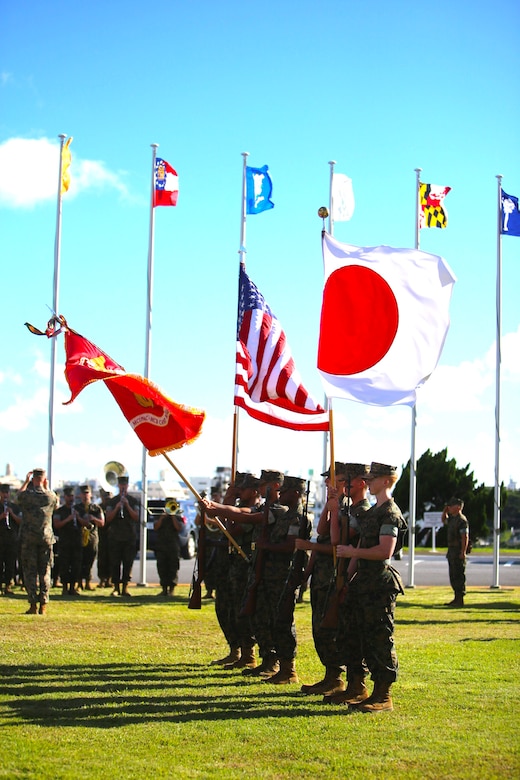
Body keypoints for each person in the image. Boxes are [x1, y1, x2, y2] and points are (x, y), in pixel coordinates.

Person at [336, 462, 406, 713]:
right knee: (359, 636)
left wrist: (353, 552)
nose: (369, 482)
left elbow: (384, 551)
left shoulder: (389, 513)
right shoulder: (375, 511)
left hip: (379, 584)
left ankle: (383, 694)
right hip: (363, 583)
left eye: (373, 478)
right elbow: (363, 547)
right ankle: (359, 687)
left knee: (379, 638)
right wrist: (347, 577)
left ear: (387, 481)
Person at [295, 462, 350, 697]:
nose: (328, 482)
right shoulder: (333, 504)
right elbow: (322, 532)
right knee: (319, 628)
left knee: (329, 628)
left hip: (333, 576)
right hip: (321, 575)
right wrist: (329, 506)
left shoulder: (347, 508)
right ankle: (330, 676)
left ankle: (336, 677)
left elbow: (337, 546)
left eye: (332, 479)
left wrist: (335, 508)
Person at [322, 462, 371, 705]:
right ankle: (352, 685)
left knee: (354, 634)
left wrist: (335, 511)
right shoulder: (351, 510)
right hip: (345, 573)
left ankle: (357, 685)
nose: (345, 486)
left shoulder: (363, 511)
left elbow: (343, 539)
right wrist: (332, 509)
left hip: (358, 576)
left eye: (347, 481)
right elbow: (333, 537)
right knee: (343, 633)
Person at [17, 468, 59, 615]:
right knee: (45, 571)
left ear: (33, 479)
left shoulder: (27, 496)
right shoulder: (50, 496)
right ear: (44, 479)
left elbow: (18, 497)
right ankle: (43, 604)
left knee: (30, 571)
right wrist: (46, 487)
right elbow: (56, 504)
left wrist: (25, 482)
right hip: (46, 538)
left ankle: (33, 604)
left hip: (29, 538)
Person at [104, 475, 140, 596]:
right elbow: (108, 518)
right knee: (115, 562)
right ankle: (116, 587)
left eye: (125, 485)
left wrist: (127, 505)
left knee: (127, 563)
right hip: (115, 537)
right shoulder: (112, 501)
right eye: (121, 485)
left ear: (127, 486)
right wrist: (117, 508)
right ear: (118, 486)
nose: (123, 487)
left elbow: (136, 517)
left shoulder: (133, 500)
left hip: (129, 537)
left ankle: (125, 587)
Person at [53, 486, 83, 596]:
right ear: (64, 497)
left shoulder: (78, 510)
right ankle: (65, 587)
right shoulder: (60, 511)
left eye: (72, 496)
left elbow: (86, 523)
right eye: (68, 496)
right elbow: (57, 524)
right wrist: (68, 519)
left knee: (76, 565)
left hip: (76, 541)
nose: (70, 498)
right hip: (65, 542)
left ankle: (73, 587)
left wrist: (78, 518)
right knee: (64, 565)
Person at [442, 497, 469, 608]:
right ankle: (456, 598)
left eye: (451, 506)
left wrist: (463, 552)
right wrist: (445, 511)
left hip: (458, 550)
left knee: (459, 575)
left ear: (458, 507)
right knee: (453, 575)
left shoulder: (462, 520)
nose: (449, 508)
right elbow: (444, 520)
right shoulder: (453, 519)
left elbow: (465, 537)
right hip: (452, 551)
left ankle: (460, 599)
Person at [76, 485, 105, 590]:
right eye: (83, 493)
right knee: (79, 560)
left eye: (87, 493)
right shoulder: (76, 508)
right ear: (80, 495)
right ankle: (79, 583)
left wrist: (93, 518)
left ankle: (88, 582)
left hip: (92, 537)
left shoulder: (96, 508)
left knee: (90, 561)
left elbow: (102, 523)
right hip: (79, 537)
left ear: (91, 494)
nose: (85, 496)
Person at [154, 499, 183, 597]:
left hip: (173, 545)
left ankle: (171, 589)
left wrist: (173, 516)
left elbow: (179, 528)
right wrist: (162, 518)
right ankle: (164, 589)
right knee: (162, 567)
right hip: (161, 545)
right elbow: (155, 527)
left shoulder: (178, 516)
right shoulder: (160, 515)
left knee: (173, 567)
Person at [0, 483, 22, 595]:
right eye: (3, 492)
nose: (5, 495)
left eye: (7, 492)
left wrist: (11, 514)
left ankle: (8, 585)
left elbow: (20, 521)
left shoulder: (14, 507)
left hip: (12, 539)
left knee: (10, 563)